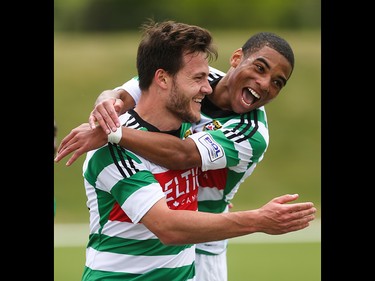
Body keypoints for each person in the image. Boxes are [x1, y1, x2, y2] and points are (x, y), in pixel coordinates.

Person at [55, 22, 316, 281]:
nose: (264, 83)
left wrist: (113, 132)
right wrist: (105, 106)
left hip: (203, 245)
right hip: (161, 224)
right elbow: (129, 93)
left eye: (277, 83)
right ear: (236, 58)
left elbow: (182, 155)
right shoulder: (191, 79)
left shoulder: (252, 132)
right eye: (260, 68)